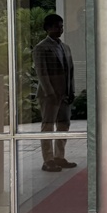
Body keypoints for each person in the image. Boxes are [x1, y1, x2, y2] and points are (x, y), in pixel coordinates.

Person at [33, 13, 77, 172]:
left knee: (64, 125)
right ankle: (48, 160)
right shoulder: (41, 48)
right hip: (49, 95)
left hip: (65, 94)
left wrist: (71, 91)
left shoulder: (65, 47)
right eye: (57, 27)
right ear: (48, 28)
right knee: (48, 127)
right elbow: (42, 73)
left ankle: (59, 156)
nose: (60, 29)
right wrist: (50, 93)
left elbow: (70, 71)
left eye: (61, 26)